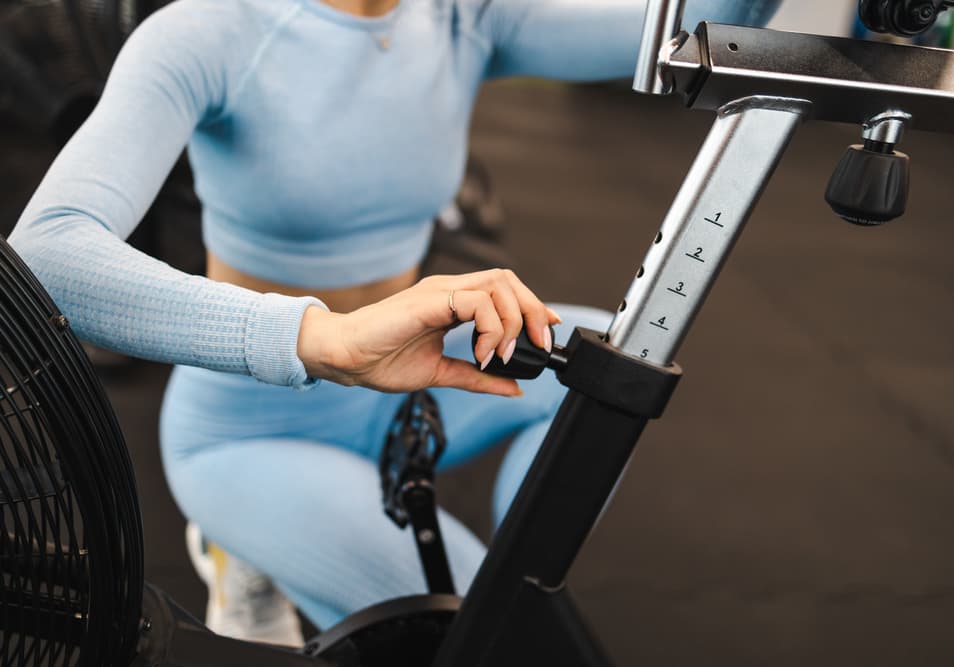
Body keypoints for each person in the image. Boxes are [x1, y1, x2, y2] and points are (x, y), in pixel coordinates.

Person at [10, 0, 784, 645]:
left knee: (610, 371)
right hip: (254, 425)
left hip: (403, 380)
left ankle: (506, 584)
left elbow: (711, 21)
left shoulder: (462, 16)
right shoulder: (212, 29)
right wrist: (329, 339)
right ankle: (254, 543)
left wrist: (521, 574)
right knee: (473, 630)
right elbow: (47, 252)